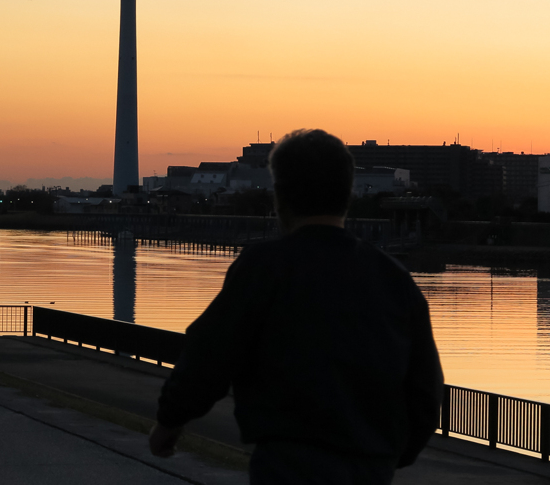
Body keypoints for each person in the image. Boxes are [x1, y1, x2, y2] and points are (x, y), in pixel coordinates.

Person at [149, 129, 443, 484]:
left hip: (289, 461)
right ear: (347, 195)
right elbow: (426, 389)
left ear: (280, 198)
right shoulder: (394, 278)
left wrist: (171, 420)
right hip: (370, 464)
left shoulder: (264, 267)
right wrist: (392, 452)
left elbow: (209, 354)